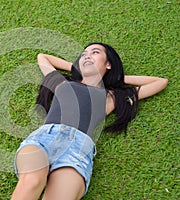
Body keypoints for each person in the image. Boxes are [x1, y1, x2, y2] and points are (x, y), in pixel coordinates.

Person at [11, 42, 168, 200]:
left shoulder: (111, 97)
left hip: (76, 151)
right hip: (44, 139)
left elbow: (160, 82)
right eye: (84, 54)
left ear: (108, 64)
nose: (87, 56)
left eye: (95, 52)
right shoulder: (62, 83)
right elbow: (43, 57)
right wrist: (77, 68)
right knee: (32, 181)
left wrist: (117, 78)